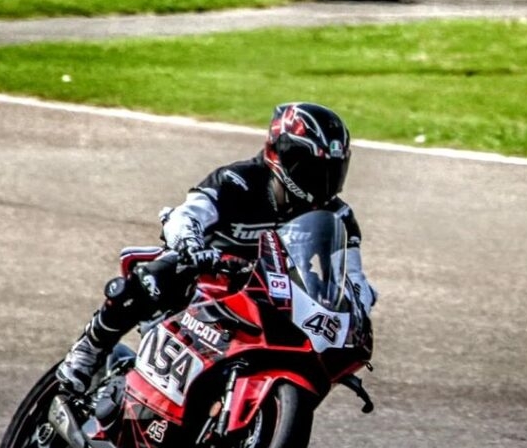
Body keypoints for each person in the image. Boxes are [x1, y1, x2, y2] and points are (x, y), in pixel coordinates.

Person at [56, 102, 378, 395]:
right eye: (311, 170)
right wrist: (189, 243)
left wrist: (358, 309)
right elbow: (187, 214)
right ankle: (90, 349)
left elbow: (354, 278)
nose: (321, 183)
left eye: (331, 172)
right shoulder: (239, 181)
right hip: (207, 283)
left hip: (270, 302)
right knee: (159, 274)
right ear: (282, 154)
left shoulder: (338, 216)